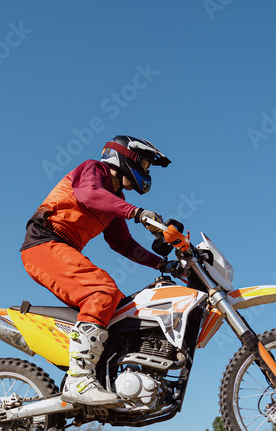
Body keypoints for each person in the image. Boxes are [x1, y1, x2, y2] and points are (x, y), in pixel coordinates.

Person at [20, 135, 173, 405]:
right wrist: (136, 212)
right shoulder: (94, 169)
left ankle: (107, 376)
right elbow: (88, 194)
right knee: (102, 291)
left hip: (59, 248)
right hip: (44, 243)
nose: (146, 173)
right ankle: (80, 379)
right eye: (145, 165)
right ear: (128, 157)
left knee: (122, 308)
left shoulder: (115, 198)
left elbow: (122, 243)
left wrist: (162, 264)